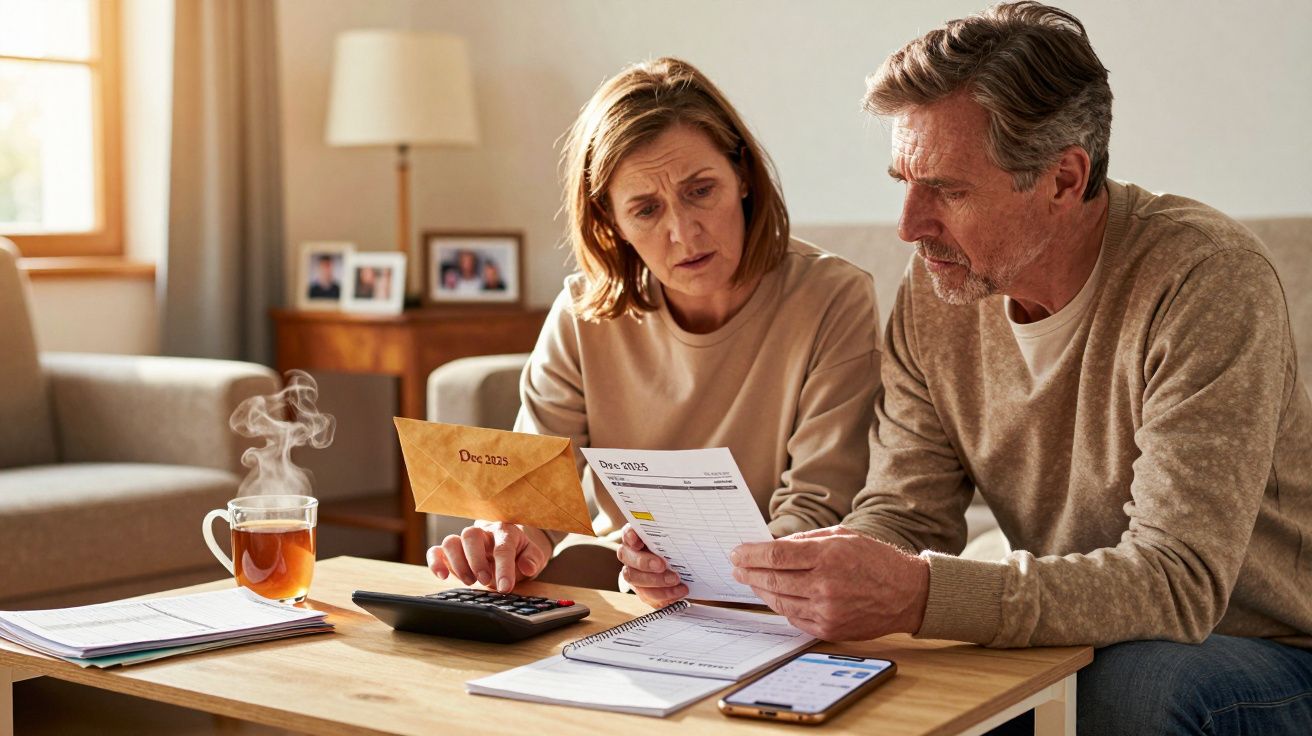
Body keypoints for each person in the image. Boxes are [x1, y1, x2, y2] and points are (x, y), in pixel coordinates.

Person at [622, 3, 1312, 732]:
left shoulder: (1206, 280)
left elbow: (1178, 583)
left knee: (1132, 687)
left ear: (1063, 179)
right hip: (1081, 636)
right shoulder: (938, 290)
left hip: (1259, 645)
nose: (908, 226)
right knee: (862, 681)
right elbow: (905, 513)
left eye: (948, 190)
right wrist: (775, 574)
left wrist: (921, 594)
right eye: (904, 182)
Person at [427, 57, 881, 599]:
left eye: (700, 190)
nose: (684, 234)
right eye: (646, 210)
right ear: (611, 221)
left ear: (742, 174)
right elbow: (532, 502)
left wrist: (714, 578)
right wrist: (510, 538)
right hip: (625, 582)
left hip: (774, 592)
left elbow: (819, 508)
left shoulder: (833, 297)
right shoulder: (581, 313)